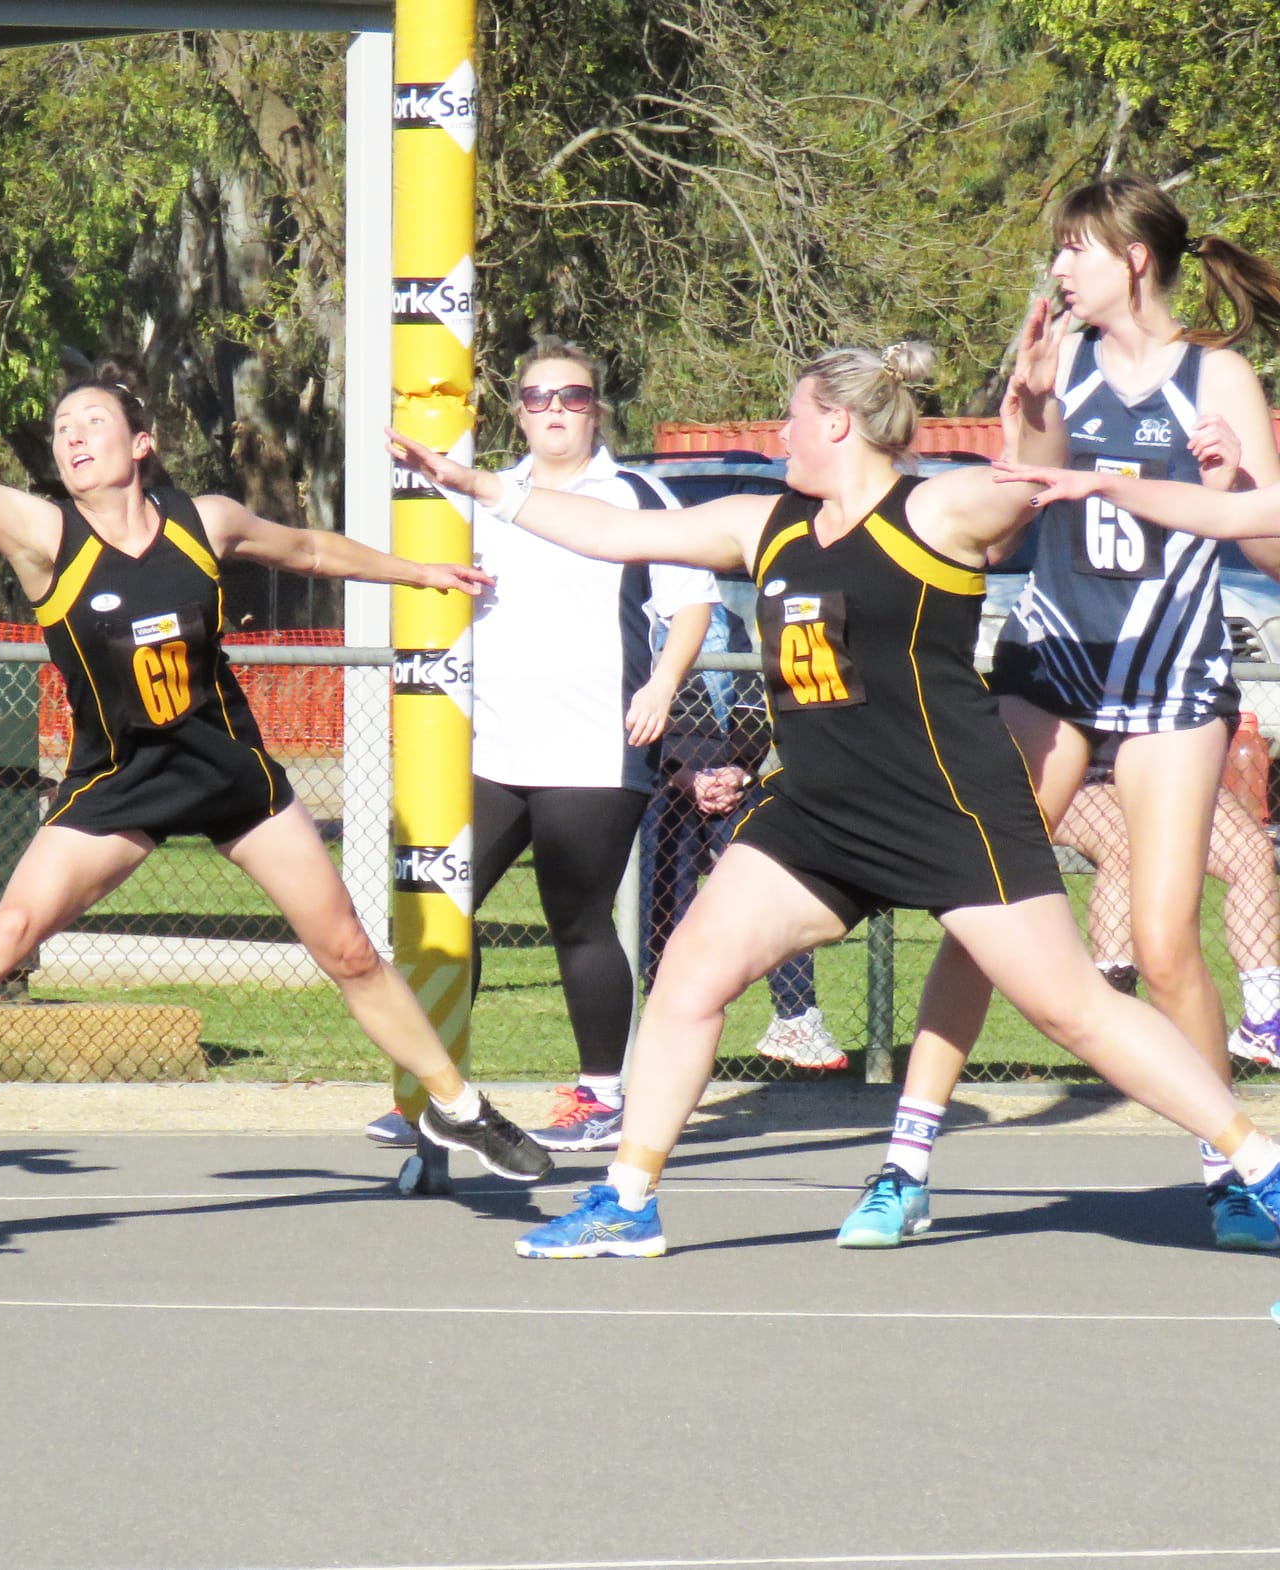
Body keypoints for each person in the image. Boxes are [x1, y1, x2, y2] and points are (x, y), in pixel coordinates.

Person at [389, 314, 1280, 1262]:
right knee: (689, 974)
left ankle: (1257, 1159)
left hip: (948, 809)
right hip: (817, 812)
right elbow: (617, 532)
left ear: (839, 424)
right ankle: (628, 1199)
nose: (781, 435)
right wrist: (484, 487)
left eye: (793, 419)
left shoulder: (936, 512)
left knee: (1074, 1012)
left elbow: (1035, 479)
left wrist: (1041, 401)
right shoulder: (764, 524)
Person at [0, 328, 552, 1185]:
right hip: (119, 780)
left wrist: (418, 573)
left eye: (91, 421)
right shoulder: (45, 536)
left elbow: (307, 550)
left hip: (227, 771)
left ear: (141, 442)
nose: (72, 436)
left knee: (348, 952)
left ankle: (460, 1107)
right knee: (7, 933)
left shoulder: (205, 522)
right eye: (61, 429)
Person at [841, 176, 1280, 1251]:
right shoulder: (1060, 363)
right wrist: (1034, 410)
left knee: (1164, 943)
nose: (1058, 268)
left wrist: (1231, 491)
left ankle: (1228, 1168)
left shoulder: (1215, 376)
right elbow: (1009, 524)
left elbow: (1270, 549)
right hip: (1052, 667)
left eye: (1076, 248)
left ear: (1133, 256)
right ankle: (904, 1163)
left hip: (1171, 679)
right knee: (984, 906)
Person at [365, 340, 718, 1155]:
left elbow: (692, 602)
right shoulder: (484, 494)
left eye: (574, 396)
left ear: (597, 409)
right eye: (538, 397)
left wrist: (663, 685)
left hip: (595, 746)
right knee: (437, 908)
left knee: (577, 917)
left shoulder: (635, 495)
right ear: (517, 412)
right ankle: (437, 1092)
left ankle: (602, 1097)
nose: (555, 410)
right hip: (491, 745)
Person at [639, 602, 844, 1071]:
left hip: (727, 778)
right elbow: (630, 705)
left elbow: (750, 703)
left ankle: (796, 1018)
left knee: (776, 887)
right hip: (660, 778)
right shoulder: (636, 615)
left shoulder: (723, 620)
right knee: (664, 900)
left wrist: (739, 769)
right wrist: (682, 775)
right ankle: (665, 1022)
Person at [1051, 776, 1280, 1070]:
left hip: (1165, 778)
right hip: (1079, 785)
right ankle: (1114, 1015)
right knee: (1126, 843)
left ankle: (1263, 1023)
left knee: (1251, 852)